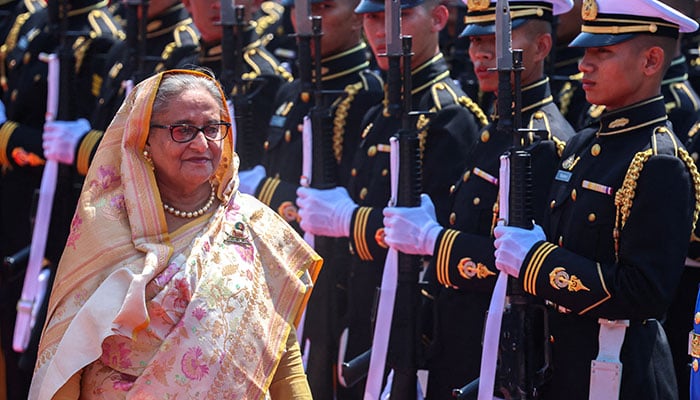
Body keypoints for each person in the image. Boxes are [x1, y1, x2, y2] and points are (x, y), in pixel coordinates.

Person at [28, 69, 322, 399]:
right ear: (144, 138)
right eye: (183, 130)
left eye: (213, 129)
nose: (202, 144)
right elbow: (66, 355)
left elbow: (280, 354)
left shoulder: (254, 226)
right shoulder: (106, 224)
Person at [493, 0, 700, 399]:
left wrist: (536, 261)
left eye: (602, 51)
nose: (584, 64)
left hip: (619, 373)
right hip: (560, 367)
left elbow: (644, 293)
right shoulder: (584, 143)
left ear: (651, 60)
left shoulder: (659, 162)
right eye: (586, 50)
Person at [381, 0, 575, 397]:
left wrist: (433, 240)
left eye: (498, 39)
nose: (483, 53)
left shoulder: (545, 140)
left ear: (541, 46)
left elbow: (519, 264)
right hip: (458, 336)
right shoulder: (496, 129)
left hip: (497, 346)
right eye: (475, 40)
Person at [296, 0, 488, 396]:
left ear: (438, 18)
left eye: (399, 15)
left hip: (412, 327)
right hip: (364, 313)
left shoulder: (450, 117)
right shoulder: (377, 113)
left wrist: (351, 220)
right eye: (372, 17)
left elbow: (431, 239)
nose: (382, 30)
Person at [238, 0, 384, 397]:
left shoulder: (366, 95)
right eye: (303, 6)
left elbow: (342, 203)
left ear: (358, 16)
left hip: (330, 283)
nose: (310, 18)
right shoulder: (291, 87)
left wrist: (263, 192)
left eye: (324, 6)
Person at [0, 2, 123, 399]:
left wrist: (25, 140)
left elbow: (95, 138)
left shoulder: (102, 36)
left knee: (44, 355)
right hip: (18, 209)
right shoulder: (35, 23)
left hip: (60, 219)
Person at [178, 0, 292, 170]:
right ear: (187, 3)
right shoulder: (182, 64)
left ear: (255, 3)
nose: (218, 5)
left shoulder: (263, 77)